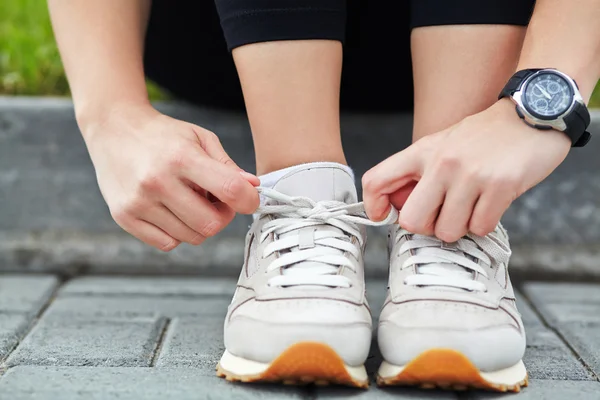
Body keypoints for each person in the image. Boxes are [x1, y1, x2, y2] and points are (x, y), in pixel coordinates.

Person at [48, 0, 598, 391]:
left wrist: (536, 108)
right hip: (222, 32)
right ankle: (299, 194)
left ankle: (448, 220)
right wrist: (109, 112)